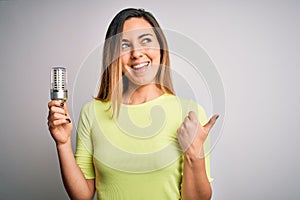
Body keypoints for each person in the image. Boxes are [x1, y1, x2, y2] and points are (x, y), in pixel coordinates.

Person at [47, 8, 218, 200]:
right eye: (125, 45)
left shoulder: (190, 113)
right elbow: (82, 196)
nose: (137, 53)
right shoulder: (92, 112)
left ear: (161, 48)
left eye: (146, 40)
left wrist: (194, 154)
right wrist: (62, 144)